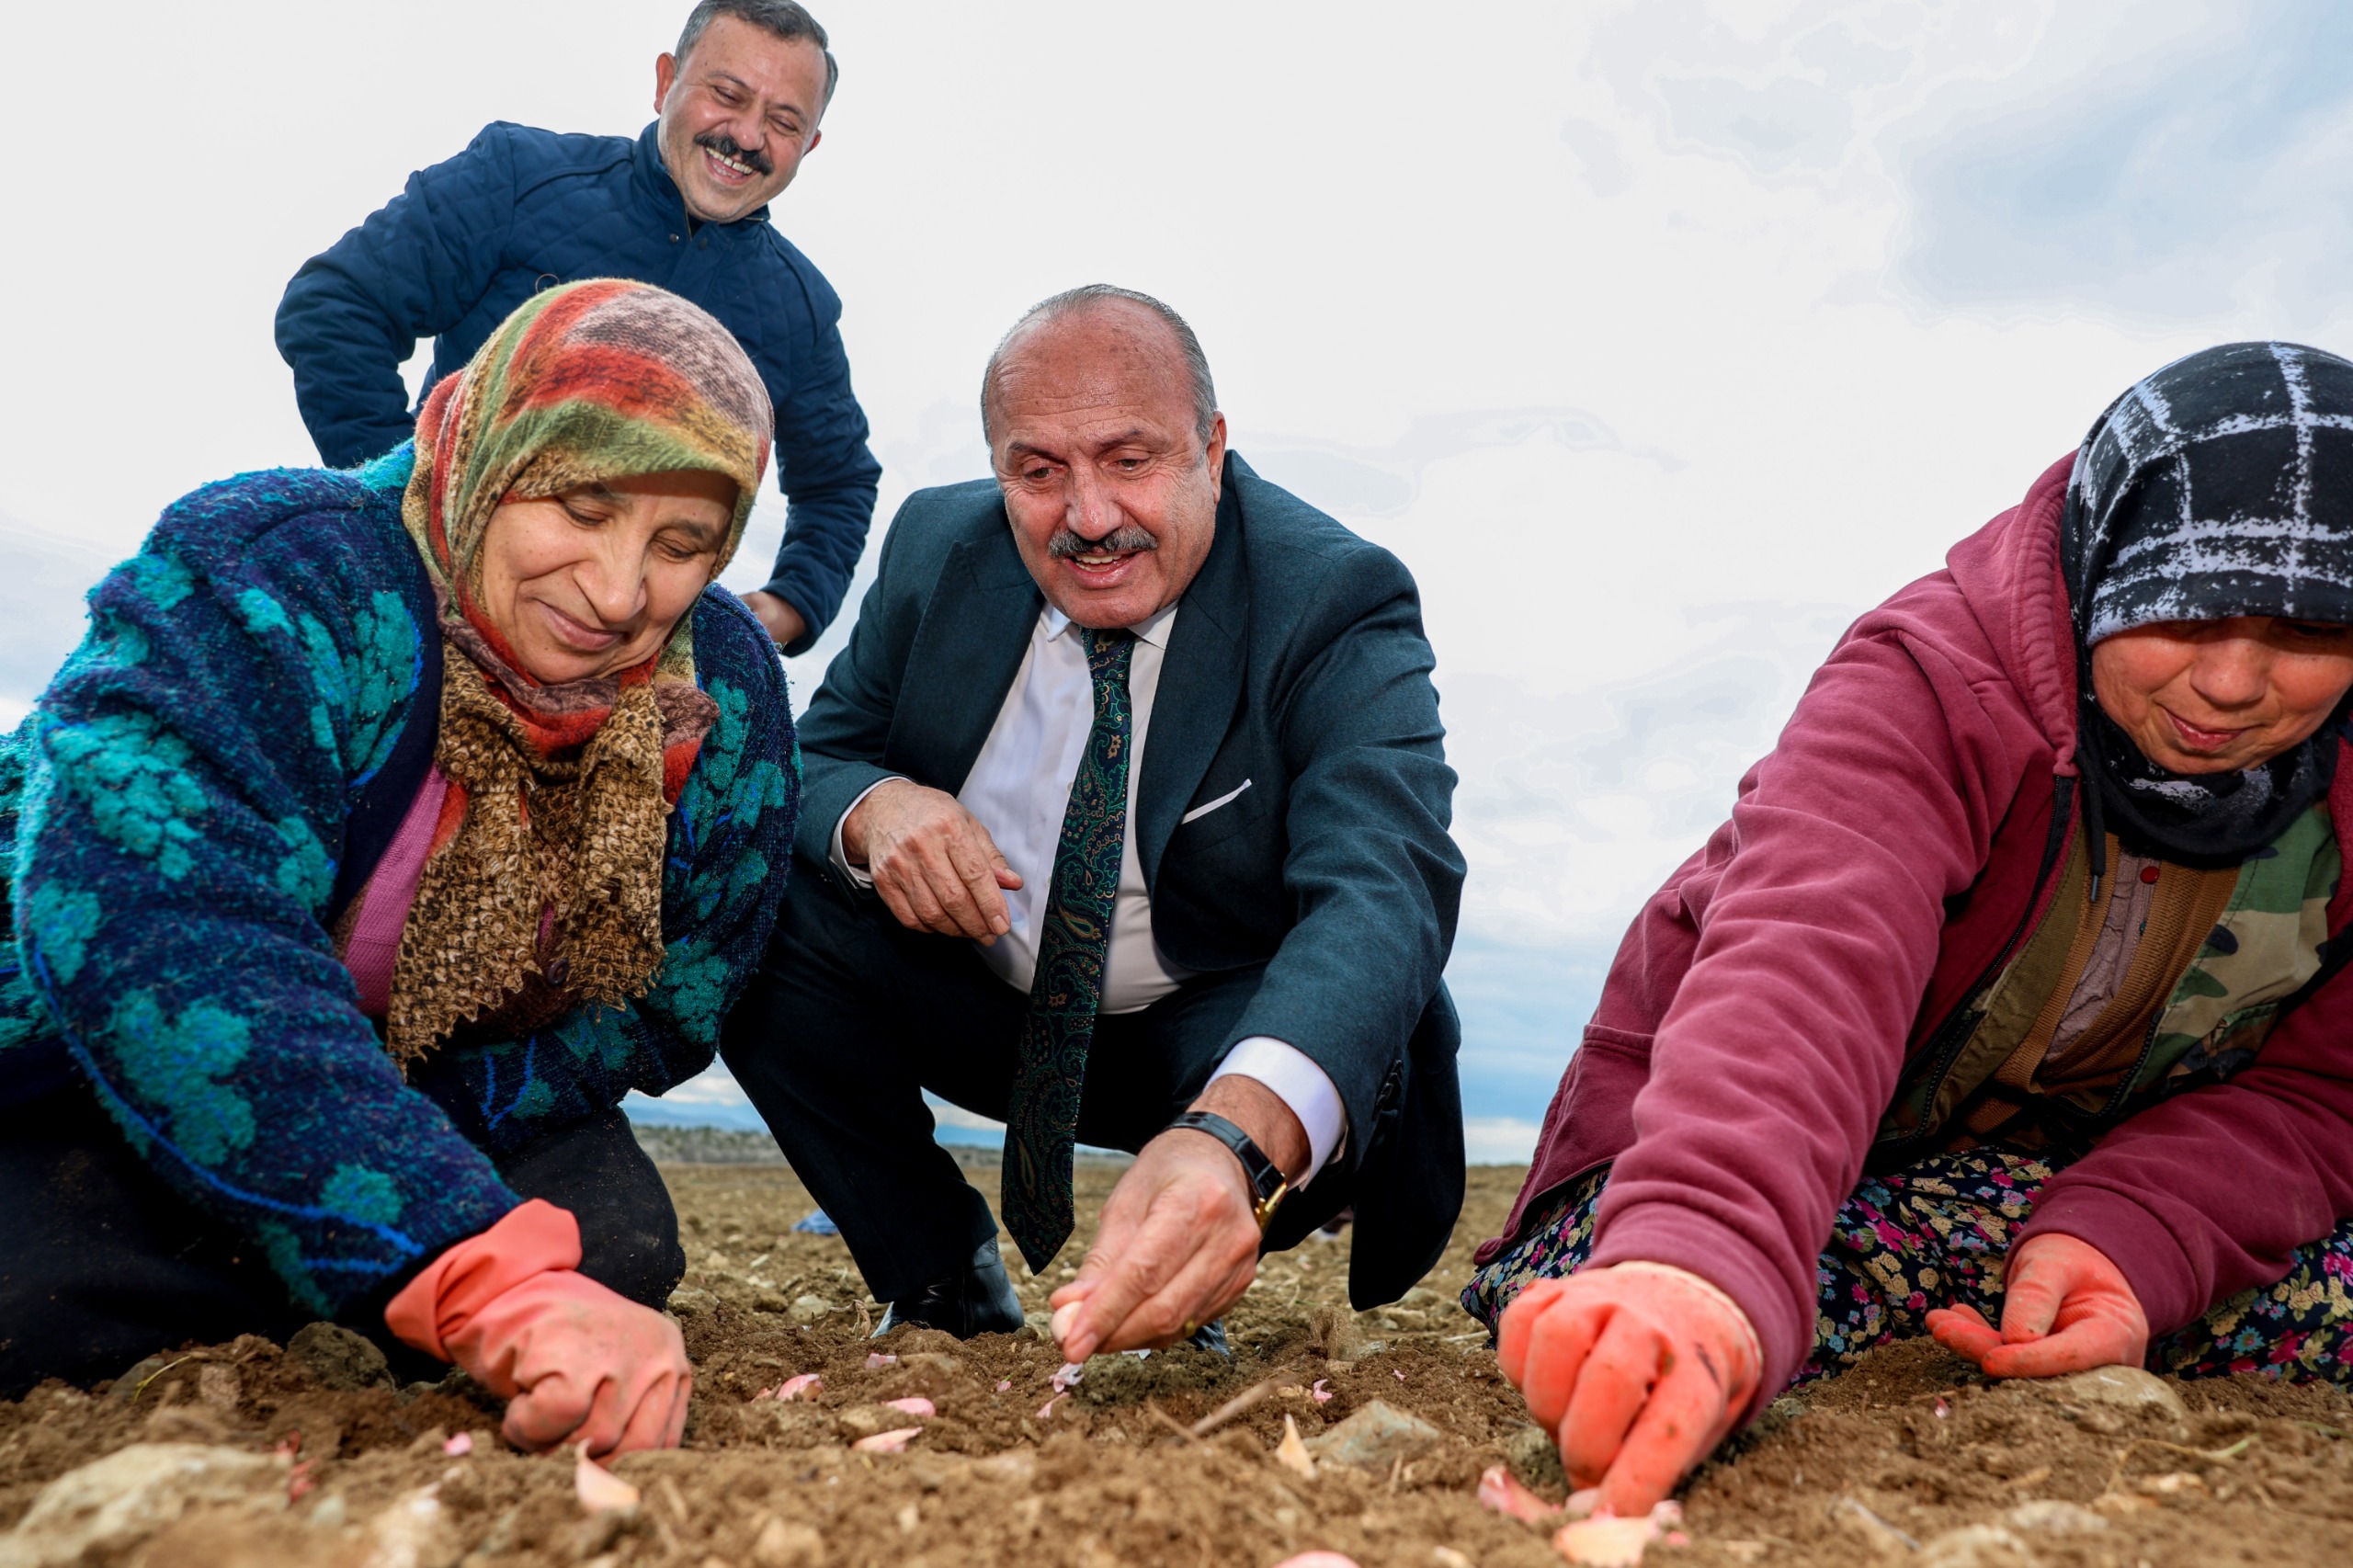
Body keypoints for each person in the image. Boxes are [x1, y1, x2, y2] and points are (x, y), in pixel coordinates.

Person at [1469, 341, 2353, 1515]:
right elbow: (1806, 960)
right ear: (2103, 561)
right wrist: (1702, 1257)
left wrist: (2133, 1237)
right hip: (1730, 1171)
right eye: (2181, 614)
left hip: (2085, 1183)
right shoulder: (1933, 676)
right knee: (1647, 1299)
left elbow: (2319, 1096)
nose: (2234, 684)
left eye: (2301, 635)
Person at [0, 279, 799, 1459]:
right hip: (84, 1060)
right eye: (580, 504)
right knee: (34, 1281)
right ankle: (337, 1244)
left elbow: (675, 998)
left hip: (432, 1089)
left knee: (616, 1239)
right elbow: (149, 918)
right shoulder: (282, 567)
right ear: (487, 454)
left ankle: (312, 1227)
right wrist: (466, 1259)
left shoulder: (715, 688)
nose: (622, 592)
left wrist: (431, 1104)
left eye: (680, 546)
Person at [722, 286, 1466, 1354]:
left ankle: (1178, 1270)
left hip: (1211, 1032)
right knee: (751, 886)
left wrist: (1228, 1137)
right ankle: (938, 1270)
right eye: (1038, 470)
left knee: (1358, 1033)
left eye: (1129, 459)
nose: (1088, 516)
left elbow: (1385, 880)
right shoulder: (937, 549)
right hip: (984, 998)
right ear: (998, 471)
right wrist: (877, 808)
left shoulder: (1333, 597)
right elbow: (814, 755)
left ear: (1211, 447)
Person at [275, 0, 878, 657]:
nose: (748, 135)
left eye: (784, 121)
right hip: (425, 623)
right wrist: (404, 515)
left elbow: (839, 483)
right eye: (726, 94)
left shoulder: (803, 308)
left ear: (810, 144)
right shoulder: (518, 176)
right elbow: (336, 306)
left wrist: (793, 602)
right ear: (664, 81)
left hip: (625, 674)